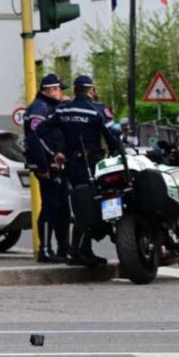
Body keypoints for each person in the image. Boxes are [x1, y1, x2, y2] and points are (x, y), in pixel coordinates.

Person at [36, 74, 122, 267]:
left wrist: (54, 152)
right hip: (92, 165)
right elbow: (112, 138)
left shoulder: (63, 110)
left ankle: (79, 250)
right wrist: (114, 151)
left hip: (71, 166)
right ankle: (80, 250)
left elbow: (39, 131)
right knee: (92, 205)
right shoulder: (96, 111)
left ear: (74, 90)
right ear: (91, 90)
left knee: (79, 205)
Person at [24, 73, 68, 263]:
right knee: (50, 208)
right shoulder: (39, 108)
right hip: (48, 165)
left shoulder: (51, 106)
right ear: (50, 90)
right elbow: (35, 137)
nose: (61, 93)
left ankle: (62, 248)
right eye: (59, 90)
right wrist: (44, 164)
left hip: (57, 165)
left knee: (62, 208)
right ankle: (46, 250)